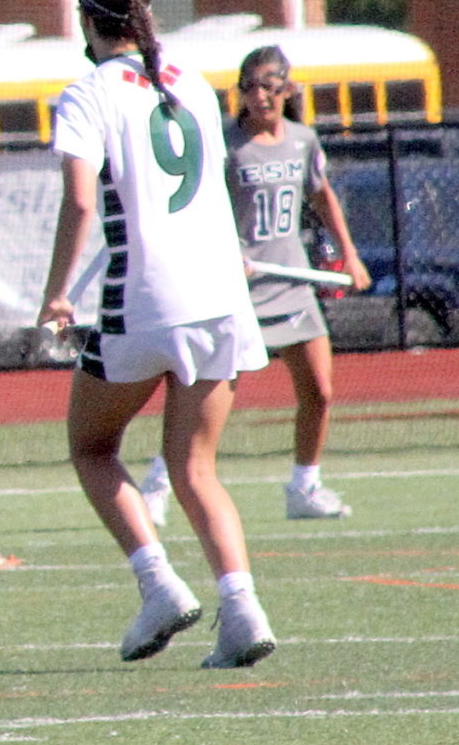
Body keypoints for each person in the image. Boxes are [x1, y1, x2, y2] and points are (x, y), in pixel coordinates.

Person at [36, 0, 276, 671]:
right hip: (222, 298)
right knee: (195, 467)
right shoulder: (191, 80)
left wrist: (56, 293)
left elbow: (81, 203)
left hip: (146, 299)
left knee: (90, 444)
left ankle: (158, 583)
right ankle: (242, 609)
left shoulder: (87, 94)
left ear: (88, 22)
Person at [135, 44, 369, 526]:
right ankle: (158, 483)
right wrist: (226, 255)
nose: (259, 96)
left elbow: (322, 196)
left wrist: (350, 254)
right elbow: (197, 206)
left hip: (291, 284)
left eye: (269, 86)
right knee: (210, 398)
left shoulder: (303, 140)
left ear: (287, 89)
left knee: (320, 390)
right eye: (250, 86)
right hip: (238, 287)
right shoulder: (226, 144)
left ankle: (305, 485)